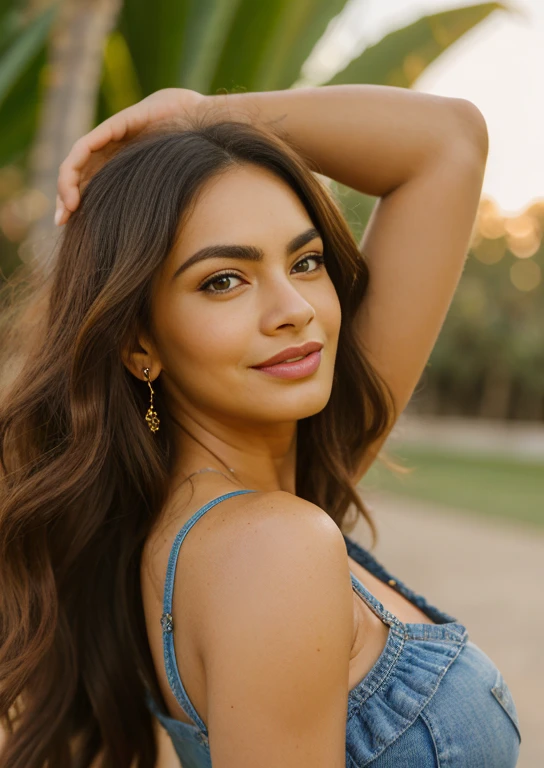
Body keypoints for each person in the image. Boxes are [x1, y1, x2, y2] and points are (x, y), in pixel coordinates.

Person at [0, 85, 521, 768]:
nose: (293, 308)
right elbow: (448, 142)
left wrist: (203, 115)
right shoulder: (271, 550)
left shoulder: (266, 491)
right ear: (139, 345)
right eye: (224, 280)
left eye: (305, 262)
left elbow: (448, 142)